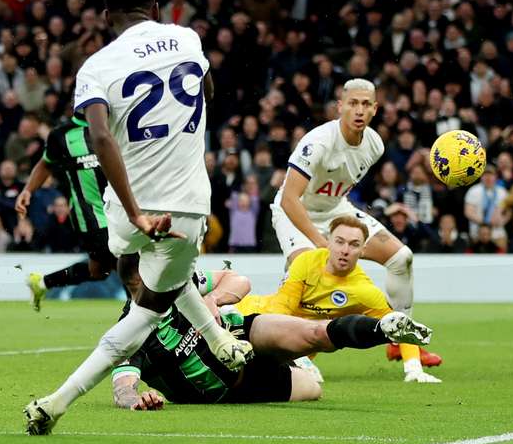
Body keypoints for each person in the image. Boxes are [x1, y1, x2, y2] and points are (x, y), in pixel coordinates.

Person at [24, 0, 249, 435]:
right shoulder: (187, 38)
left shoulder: (97, 66)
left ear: (108, 17)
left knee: (142, 275)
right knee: (148, 309)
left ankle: (218, 339)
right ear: (157, 10)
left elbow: (99, 136)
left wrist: (131, 212)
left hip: (120, 207)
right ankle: (56, 403)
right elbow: (207, 92)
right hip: (182, 206)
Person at [110, 247, 433, 408]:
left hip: (242, 333)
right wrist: (139, 400)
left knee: (315, 333)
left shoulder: (181, 282)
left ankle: (384, 329)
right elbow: (122, 388)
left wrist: (215, 300)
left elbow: (239, 279)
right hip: (236, 387)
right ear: (135, 286)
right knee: (312, 389)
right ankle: (289, 361)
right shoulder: (129, 332)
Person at [273, 78, 441, 367]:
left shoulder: (374, 145)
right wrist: (319, 241)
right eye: (353, 103)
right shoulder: (318, 143)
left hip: (337, 209)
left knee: (402, 258)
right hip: (295, 210)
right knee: (305, 276)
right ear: (340, 107)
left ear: (375, 109)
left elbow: (341, 187)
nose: (359, 110)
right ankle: (288, 353)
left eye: (366, 104)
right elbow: (289, 198)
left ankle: (401, 341)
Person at [237, 216, 441, 383]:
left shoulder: (364, 291)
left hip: (284, 347)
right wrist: (301, 361)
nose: (345, 250)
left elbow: (397, 325)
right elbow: (281, 311)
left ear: (363, 251)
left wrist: (413, 368)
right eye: (339, 241)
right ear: (328, 242)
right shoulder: (306, 262)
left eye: (354, 245)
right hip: (245, 316)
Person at [17, 114, 119, 310]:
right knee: (130, 268)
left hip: (120, 212)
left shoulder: (116, 125)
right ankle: (142, 326)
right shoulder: (61, 135)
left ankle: (42, 283)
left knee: (98, 271)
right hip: (90, 216)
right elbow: (46, 163)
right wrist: (28, 190)